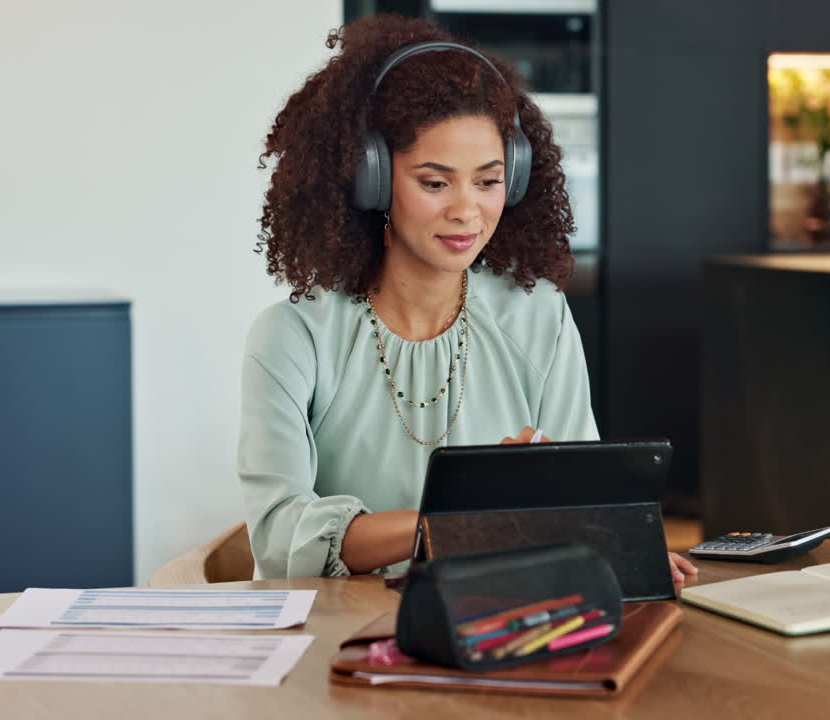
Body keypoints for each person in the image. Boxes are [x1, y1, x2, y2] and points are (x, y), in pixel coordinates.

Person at [239, 14, 696, 587]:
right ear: (371, 181)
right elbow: (280, 536)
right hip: (335, 641)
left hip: (496, 616)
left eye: (488, 181)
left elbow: (578, 504)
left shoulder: (539, 316)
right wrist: (472, 512)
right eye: (435, 183)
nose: (467, 210)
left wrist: (613, 534)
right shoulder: (292, 338)